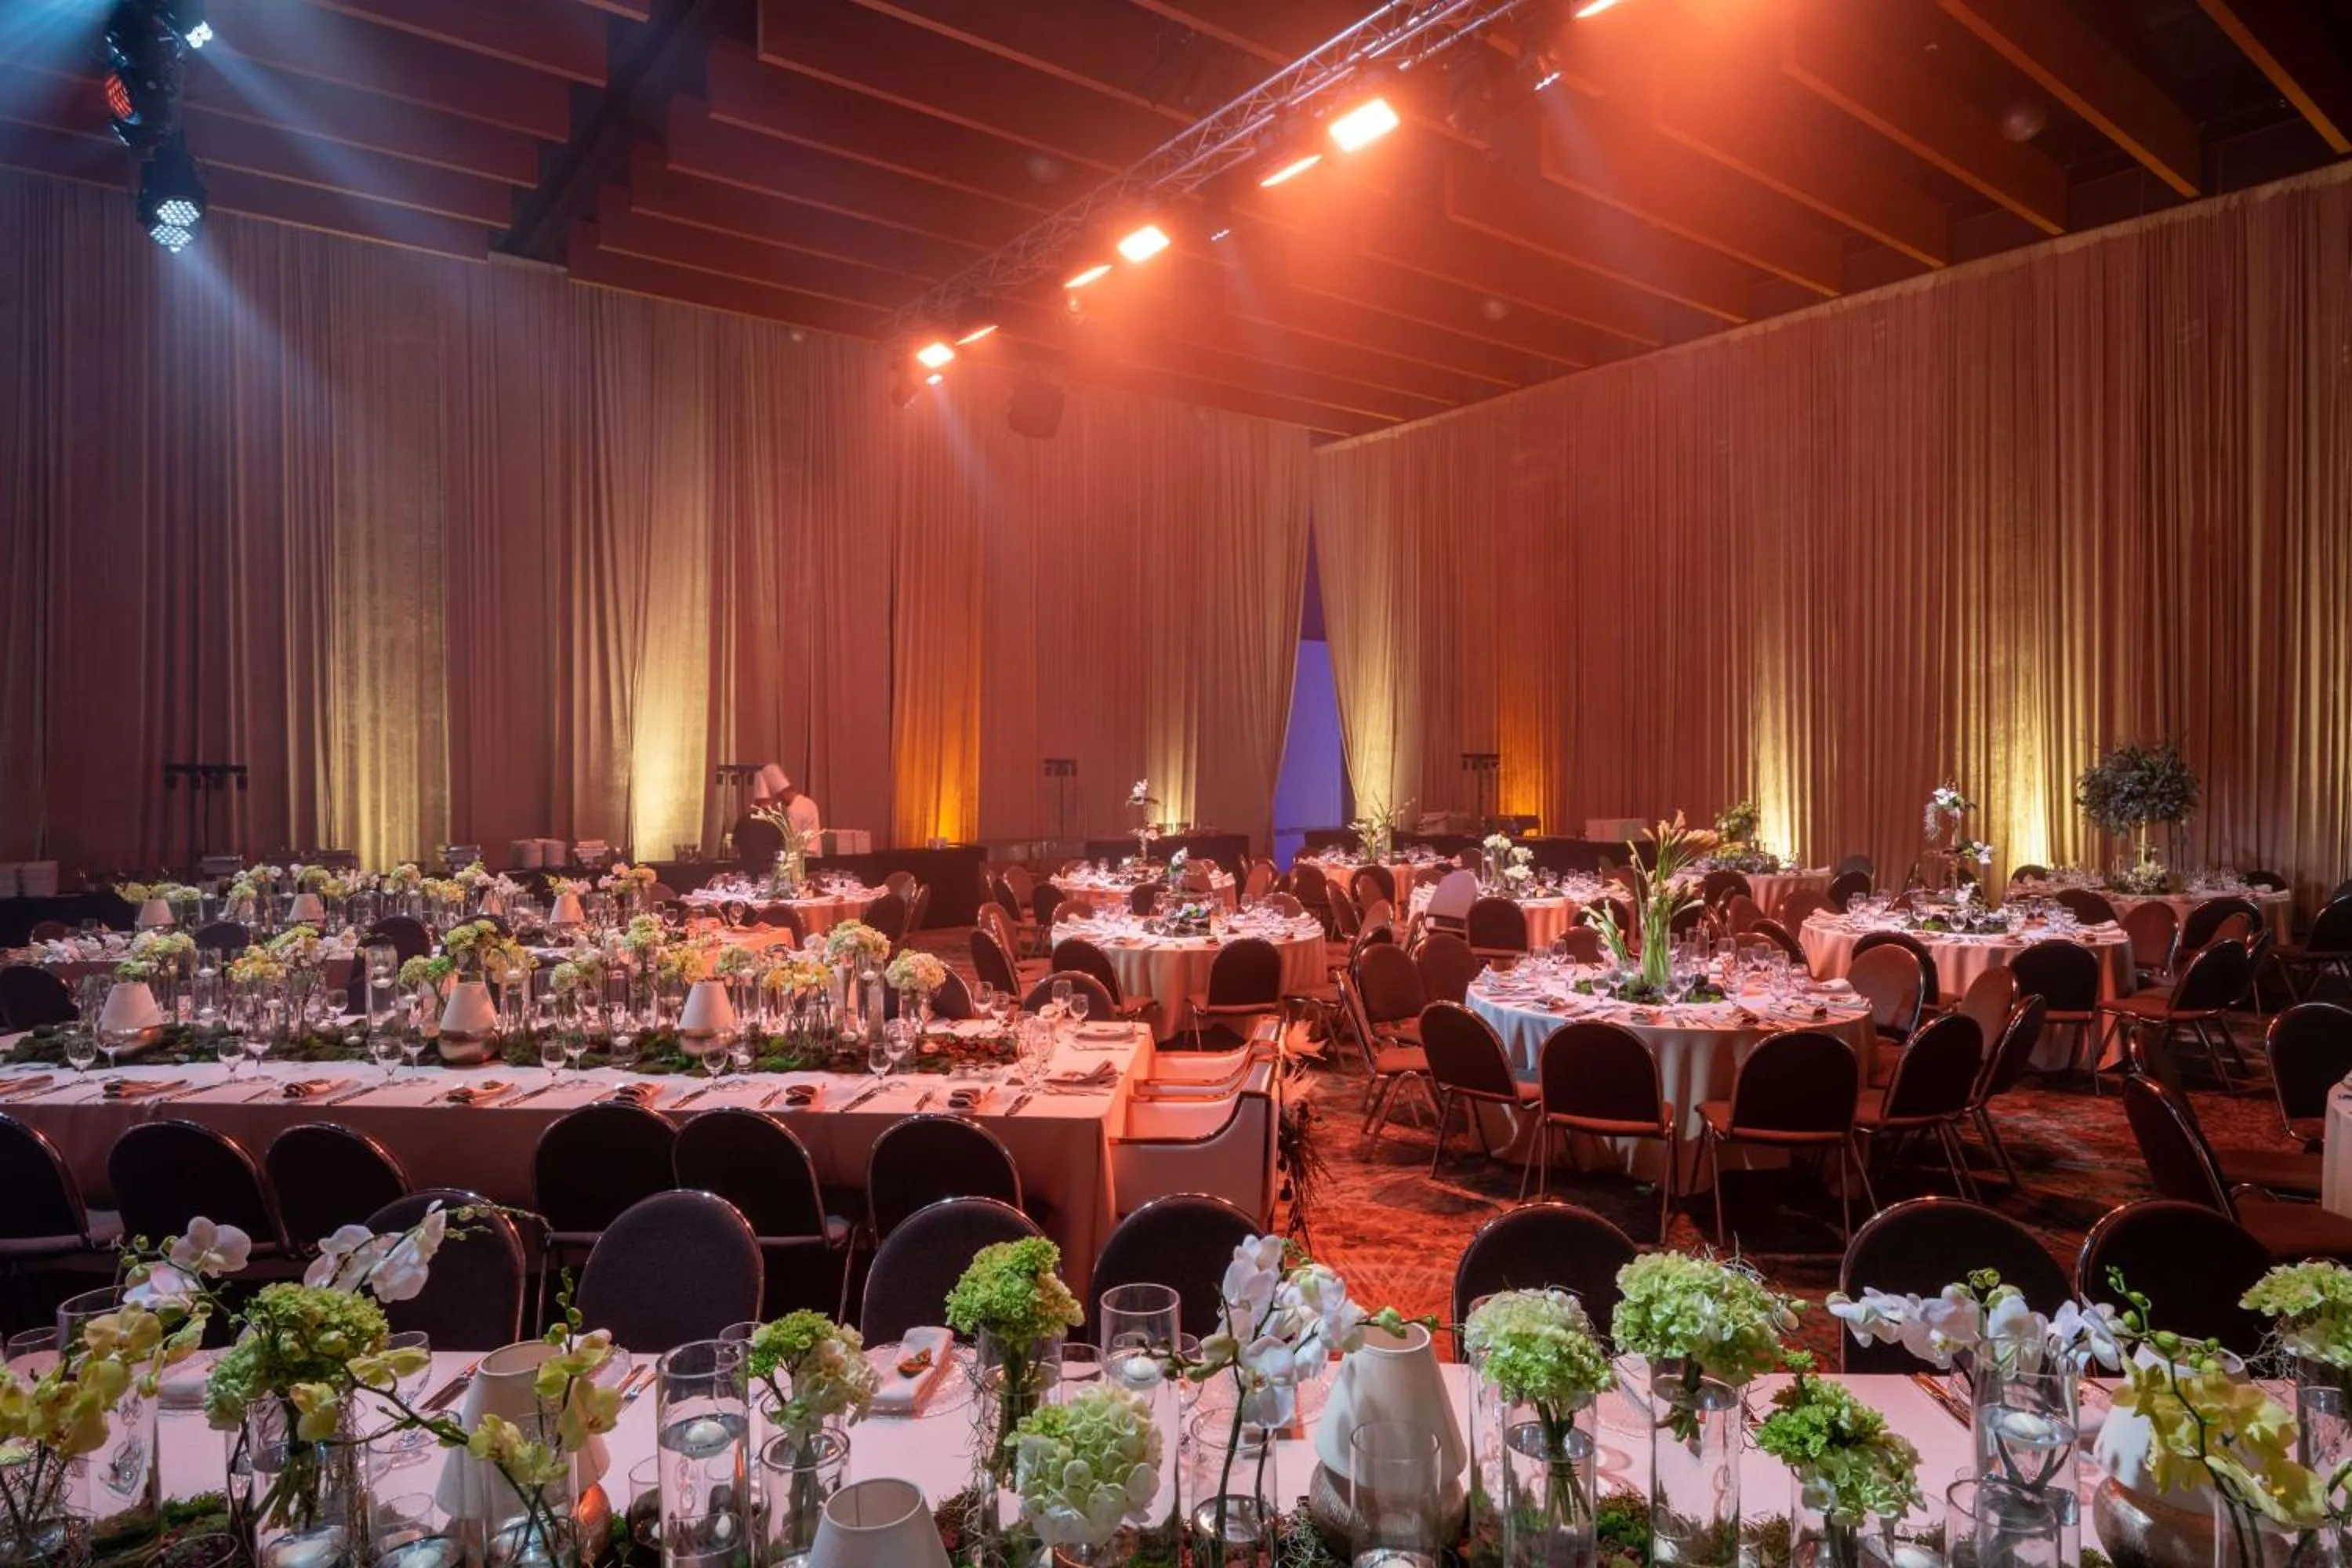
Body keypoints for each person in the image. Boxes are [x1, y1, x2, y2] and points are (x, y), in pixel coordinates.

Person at [752, 763, 822, 840]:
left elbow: (790, 840)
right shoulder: (809, 802)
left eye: (778, 797)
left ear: (782, 794)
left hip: (802, 850)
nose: (779, 800)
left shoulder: (792, 811)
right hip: (815, 850)